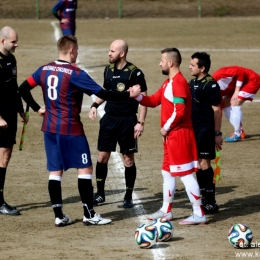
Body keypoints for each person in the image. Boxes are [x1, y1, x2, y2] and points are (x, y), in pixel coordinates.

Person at [18, 35, 140, 227]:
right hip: (71, 129)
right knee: (85, 169)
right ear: (72, 50)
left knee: (55, 172)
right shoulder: (74, 73)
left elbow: (23, 89)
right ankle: (89, 214)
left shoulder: (44, 69)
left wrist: (37, 108)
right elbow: (104, 94)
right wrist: (128, 93)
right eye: (77, 50)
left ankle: (59, 215)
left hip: (49, 129)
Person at [131, 47, 206, 225]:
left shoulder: (178, 82)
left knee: (186, 174)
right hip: (171, 136)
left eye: (162, 61)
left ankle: (199, 213)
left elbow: (179, 112)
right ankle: (166, 210)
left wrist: (166, 127)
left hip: (178, 135)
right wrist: (137, 97)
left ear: (170, 63)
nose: (160, 63)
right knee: (167, 172)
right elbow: (154, 100)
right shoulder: (168, 83)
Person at [88, 39, 147, 209]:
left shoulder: (135, 73)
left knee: (128, 159)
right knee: (102, 157)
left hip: (128, 120)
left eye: (112, 51)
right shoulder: (108, 70)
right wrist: (94, 105)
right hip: (109, 119)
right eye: (109, 50)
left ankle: (128, 196)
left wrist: (140, 122)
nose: (109, 53)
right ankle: (100, 194)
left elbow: (143, 100)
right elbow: (105, 92)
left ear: (122, 53)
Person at [188, 52, 223, 213]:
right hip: (193, 130)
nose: (189, 67)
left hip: (206, 130)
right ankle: (203, 198)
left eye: (193, 65)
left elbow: (217, 110)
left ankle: (211, 201)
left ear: (202, 68)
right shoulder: (191, 83)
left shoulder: (211, 85)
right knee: (197, 165)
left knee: (204, 164)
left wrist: (217, 133)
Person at [0, 26, 27, 216]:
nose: (17, 45)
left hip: (9, 112)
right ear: (3, 41)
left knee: (6, 154)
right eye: (13, 42)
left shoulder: (11, 58)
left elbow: (14, 86)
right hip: (0, 115)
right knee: (2, 155)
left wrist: (20, 109)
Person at [212, 66, 260, 142]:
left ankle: (237, 134)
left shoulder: (219, 75)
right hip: (239, 85)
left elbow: (240, 72)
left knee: (235, 103)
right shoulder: (213, 92)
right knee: (225, 105)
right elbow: (218, 110)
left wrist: (236, 91)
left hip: (252, 80)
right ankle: (240, 131)